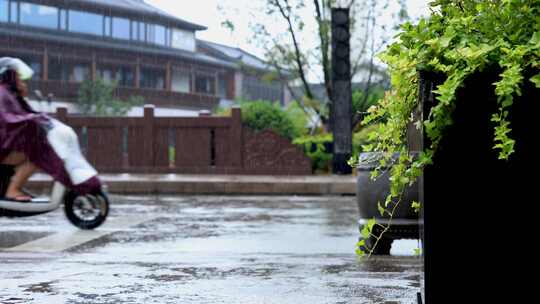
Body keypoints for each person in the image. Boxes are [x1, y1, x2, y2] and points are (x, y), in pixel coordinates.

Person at [0, 57, 40, 202]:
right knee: (37, 154)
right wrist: (32, 120)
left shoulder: (10, 95)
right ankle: (12, 190)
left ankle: (12, 186)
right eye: (18, 77)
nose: (22, 82)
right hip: (3, 147)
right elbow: (8, 118)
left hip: (6, 144)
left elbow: (24, 114)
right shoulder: (2, 93)